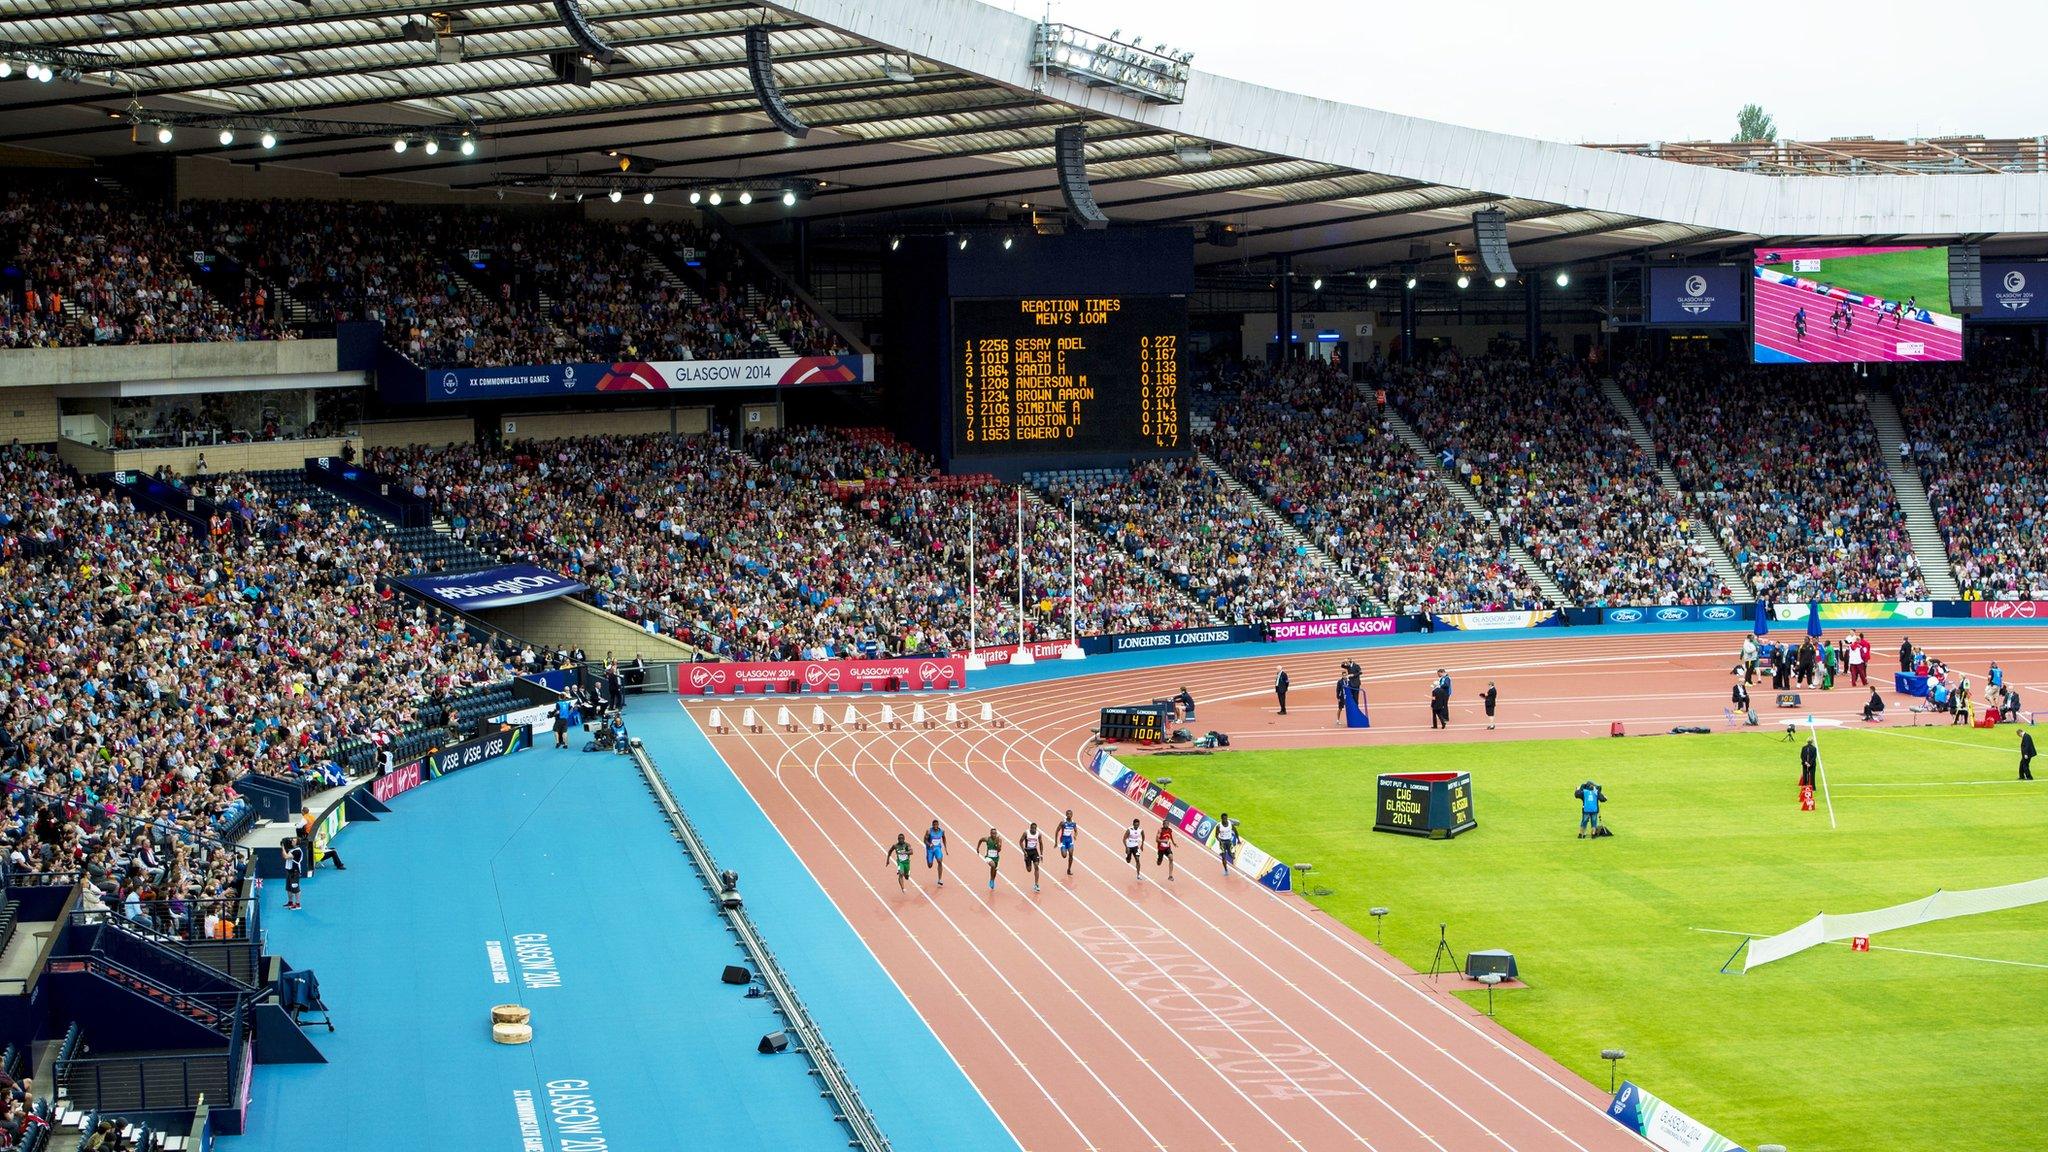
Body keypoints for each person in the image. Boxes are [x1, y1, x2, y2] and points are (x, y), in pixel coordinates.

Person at [1017, 822, 1044, 893]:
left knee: (1036, 866)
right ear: (1030, 828)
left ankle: (1036, 884)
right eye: (1032, 828)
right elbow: (1020, 842)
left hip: (1034, 851)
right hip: (1027, 852)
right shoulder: (1026, 833)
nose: (1034, 830)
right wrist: (1024, 851)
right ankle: (1027, 862)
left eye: (1035, 828)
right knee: (1029, 870)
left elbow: (1041, 843)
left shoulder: (1038, 834)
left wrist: (1041, 854)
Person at [281, 836, 304, 910]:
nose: (292, 842)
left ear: (297, 843)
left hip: (295, 872)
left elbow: (286, 856)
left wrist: (283, 848)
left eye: (293, 841)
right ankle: (290, 902)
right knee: (288, 888)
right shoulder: (292, 849)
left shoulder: (297, 851)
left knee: (295, 888)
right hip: (289, 871)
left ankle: (297, 904)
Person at [923, 820, 947, 887]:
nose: (935, 826)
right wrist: (929, 844)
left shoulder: (942, 831)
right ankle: (928, 858)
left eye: (936, 824)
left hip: (937, 848)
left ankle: (939, 879)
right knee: (930, 865)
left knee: (939, 861)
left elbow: (944, 838)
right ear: (932, 825)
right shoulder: (929, 831)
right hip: (930, 849)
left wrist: (945, 848)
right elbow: (924, 840)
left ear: (938, 824)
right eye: (934, 824)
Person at [1056, 810, 1079, 876]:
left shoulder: (1073, 823)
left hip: (1069, 840)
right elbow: (1057, 831)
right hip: (1063, 840)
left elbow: (1076, 831)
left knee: (1071, 854)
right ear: (1066, 815)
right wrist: (1056, 842)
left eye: (1070, 814)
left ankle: (1069, 869)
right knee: (1064, 856)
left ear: (1072, 815)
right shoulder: (1063, 823)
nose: (1069, 815)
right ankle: (1062, 848)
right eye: (1068, 814)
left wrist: (1075, 835)